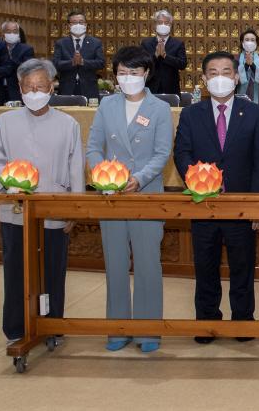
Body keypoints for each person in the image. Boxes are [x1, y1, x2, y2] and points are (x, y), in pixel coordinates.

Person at [0, 59, 84, 345]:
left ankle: (52, 325)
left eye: (40, 86)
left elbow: (76, 167)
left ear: (52, 87)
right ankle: (16, 329)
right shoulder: (3, 122)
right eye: (28, 87)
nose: (34, 92)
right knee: (16, 271)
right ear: (19, 88)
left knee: (52, 272)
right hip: (16, 210)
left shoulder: (68, 124)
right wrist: (8, 186)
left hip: (54, 211)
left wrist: (73, 209)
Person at [174, 51, 259, 343]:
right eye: (213, 73)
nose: (220, 78)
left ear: (237, 77)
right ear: (204, 80)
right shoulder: (191, 115)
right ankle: (207, 322)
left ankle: (243, 322)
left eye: (226, 72)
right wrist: (198, 182)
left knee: (243, 268)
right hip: (203, 205)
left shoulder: (254, 113)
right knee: (205, 268)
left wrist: (257, 206)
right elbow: (182, 154)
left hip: (241, 207)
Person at [86, 46, 173, 353]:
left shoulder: (160, 108)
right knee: (115, 263)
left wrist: (138, 178)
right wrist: (103, 176)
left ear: (146, 73)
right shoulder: (106, 105)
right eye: (122, 73)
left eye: (134, 72)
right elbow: (93, 148)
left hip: (145, 194)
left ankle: (149, 331)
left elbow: (162, 153)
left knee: (148, 264)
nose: (128, 78)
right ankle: (117, 328)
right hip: (111, 196)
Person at [53, 9, 105, 99]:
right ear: (69, 25)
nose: (78, 25)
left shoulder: (96, 43)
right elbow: (55, 64)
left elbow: (101, 63)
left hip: (89, 89)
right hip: (67, 89)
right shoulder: (61, 43)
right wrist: (72, 62)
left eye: (81, 22)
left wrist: (83, 62)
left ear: (86, 25)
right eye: (74, 22)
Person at [139, 10, 187, 96]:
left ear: (171, 25)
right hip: (151, 88)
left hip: (171, 88)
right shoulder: (146, 43)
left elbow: (182, 64)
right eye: (160, 22)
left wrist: (165, 56)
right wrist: (155, 56)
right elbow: (142, 64)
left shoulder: (178, 44)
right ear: (155, 25)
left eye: (166, 23)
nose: (163, 25)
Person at [0, 21, 34, 103]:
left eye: (15, 31)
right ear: (3, 33)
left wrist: (9, 59)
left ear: (18, 33)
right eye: (8, 31)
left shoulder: (27, 49)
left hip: (17, 90)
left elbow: (27, 69)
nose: (12, 34)